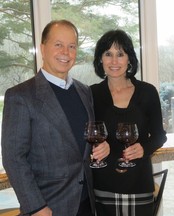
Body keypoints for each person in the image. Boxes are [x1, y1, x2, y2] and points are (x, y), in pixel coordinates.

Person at [1, 20, 109, 216]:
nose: (66, 52)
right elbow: (13, 158)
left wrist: (102, 147)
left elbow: (82, 141)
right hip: (48, 207)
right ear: (43, 48)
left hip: (86, 203)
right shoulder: (20, 96)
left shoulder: (84, 91)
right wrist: (36, 207)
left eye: (72, 46)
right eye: (58, 44)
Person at [90, 29, 167, 216]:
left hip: (138, 185)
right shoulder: (91, 94)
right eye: (108, 54)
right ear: (100, 59)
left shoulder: (147, 92)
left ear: (129, 59)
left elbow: (159, 136)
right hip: (102, 186)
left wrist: (144, 149)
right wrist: (96, 148)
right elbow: (84, 136)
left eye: (120, 54)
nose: (114, 61)